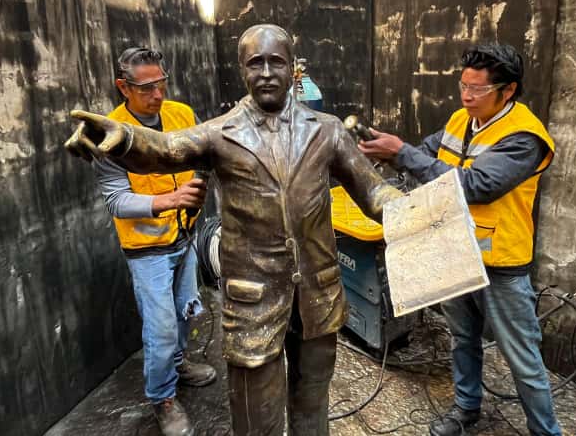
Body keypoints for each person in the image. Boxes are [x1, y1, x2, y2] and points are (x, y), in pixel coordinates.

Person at [65, 25, 403, 436]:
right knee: (255, 418)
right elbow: (164, 150)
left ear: (291, 66)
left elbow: (373, 191)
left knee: (313, 401)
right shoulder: (219, 133)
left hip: (318, 293)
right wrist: (122, 139)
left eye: (275, 61)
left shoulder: (327, 130)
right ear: (242, 69)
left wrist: (413, 213)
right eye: (254, 63)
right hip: (253, 301)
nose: (265, 72)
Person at [358, 44, 562, 436]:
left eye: (477, 89)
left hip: (500, 264)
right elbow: (428, 152)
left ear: (508, 90)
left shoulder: (525, 137)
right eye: (462, 86)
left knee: (523, 358)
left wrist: (402, 154)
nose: (467, 96)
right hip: (453, 249)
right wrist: (388, 154)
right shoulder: (460, 120)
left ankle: (545, 431)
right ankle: (466, 409)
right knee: (462, 338)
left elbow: (476, 185)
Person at [93, 47, 217, 436]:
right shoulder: (110, 134)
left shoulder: (181, 114)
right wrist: (169, 200)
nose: (158, 95)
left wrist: (200, 181)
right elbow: (116, 201)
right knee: (160, 329)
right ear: (123, 87)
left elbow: (204, 153)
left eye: (161, 83)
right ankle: (162, 398)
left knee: (185, 312)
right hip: (147, 249)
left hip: (185, 235)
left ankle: (178, 364)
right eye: (147, 88)